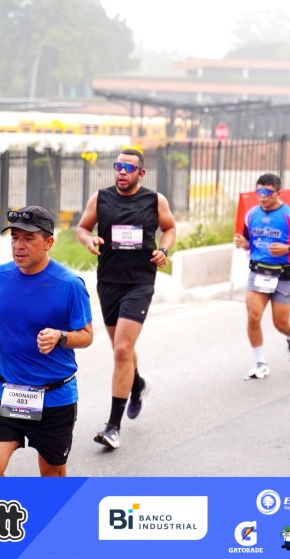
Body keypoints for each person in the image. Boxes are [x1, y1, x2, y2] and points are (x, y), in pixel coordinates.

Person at [0, 205, 94, 476]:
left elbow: (87, 336)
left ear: (48, 243)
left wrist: (60, 336)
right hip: (9, 391)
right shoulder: (0, 274)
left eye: (29, 238)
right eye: (15, 238)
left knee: (51, 479)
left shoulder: (70, 284)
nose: (19, 245)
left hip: (54, 397)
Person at [75, 148, 176, 450]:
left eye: (128, 168)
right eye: (118, 166)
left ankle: (112, 428)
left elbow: (169, 228)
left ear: (140, 173)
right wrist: (89, 239)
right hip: (108, 281)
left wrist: (164, 250)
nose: (122, 171)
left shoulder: (155, 200)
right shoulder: (100, 198)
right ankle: (138, 383)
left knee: (121, 350)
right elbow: (82, 227)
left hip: (140, 282)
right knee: (122, 349)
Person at [234, 173, 290, 379]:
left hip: (283, 275)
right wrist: (244, 244)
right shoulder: (251, 215)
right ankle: (260, 363)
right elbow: (249, 242)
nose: (262, 196)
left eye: (267, 192)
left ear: (278, 193)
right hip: (258, 272)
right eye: (259, 191)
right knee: (253, 317)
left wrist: (289, 248)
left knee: (280, 323)